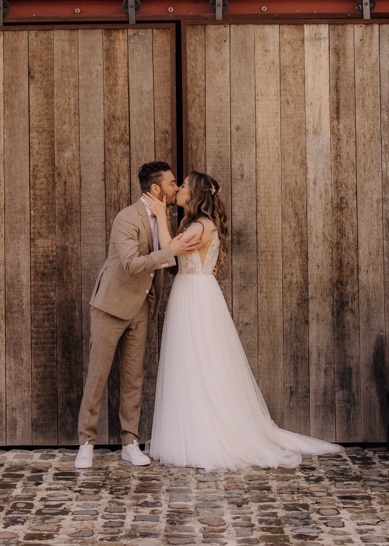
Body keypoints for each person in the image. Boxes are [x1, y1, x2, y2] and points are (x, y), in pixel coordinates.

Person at [147, 171, 343, 470]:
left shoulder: (200, 226)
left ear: (196, 193)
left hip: (196, 298)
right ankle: (191, 429)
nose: (181, 190)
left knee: (200, 362)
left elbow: (168, 255)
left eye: (184, 186)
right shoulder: (196, 224)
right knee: (189, 363)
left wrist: (161, 215)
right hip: (191, 291)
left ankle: (205, 436)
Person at [74, 160, 198, 468]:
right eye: (172, 183)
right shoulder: (126, 218)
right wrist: (172, 253)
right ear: (155, 188)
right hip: (111, 305)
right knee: (98, 375)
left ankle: (130, 442)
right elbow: (131, 263)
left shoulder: (165, 217)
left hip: (142, 306)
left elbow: (167, 261)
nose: (176, 188)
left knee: (133, 377)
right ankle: (85, 443)